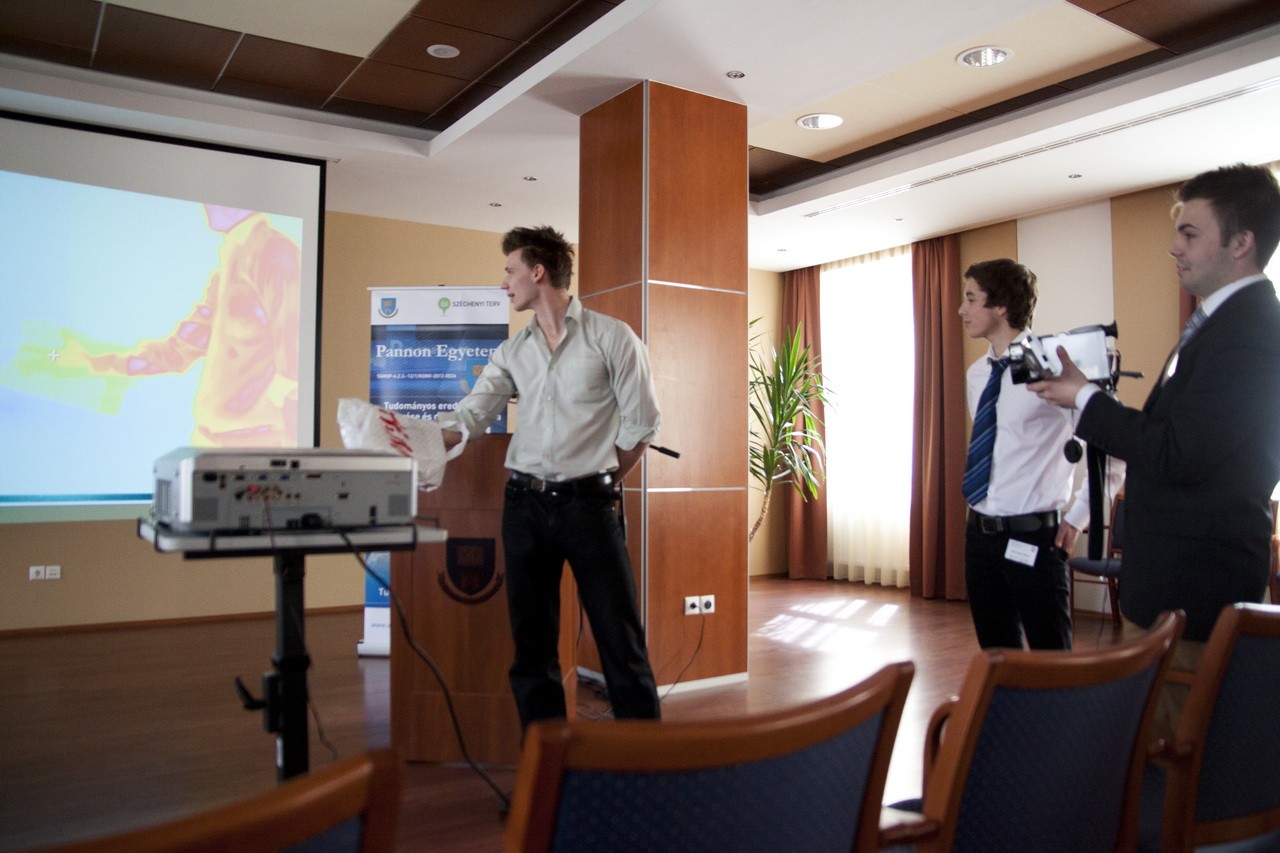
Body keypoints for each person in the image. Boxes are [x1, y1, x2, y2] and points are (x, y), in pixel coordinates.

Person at [1031, 163, 1280, 734]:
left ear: (1241, 242)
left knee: (1173, 753)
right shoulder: (1219, 324)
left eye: (1189, 233)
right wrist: (1084, 400)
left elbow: (1177, 452)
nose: (1174, 247)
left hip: (1193, 592)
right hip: (1169, 586)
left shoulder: (1250, 331)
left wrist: (1086, 399)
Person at [437, 225, 662, 728]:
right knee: (532, 649)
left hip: (590, 508)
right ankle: (546, 764)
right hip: (524, 507)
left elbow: (642, 425)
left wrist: (601, 479)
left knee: (619, 640)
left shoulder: (613, 338)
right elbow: (470, 417)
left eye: (509, 271)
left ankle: (647, 765)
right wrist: (411, 438)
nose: (503, 283)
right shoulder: (512, 352)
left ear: (538, 272)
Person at [958, 258, 1119, 650]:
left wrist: (1079, 518)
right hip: (979, 535)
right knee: (996, 655)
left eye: (971, 299)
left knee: (1052, 658)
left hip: (1033, 536)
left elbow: (1113, 450)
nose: (962, 310)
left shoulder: (1054, 369)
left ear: (1000, 305)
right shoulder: (977, 374)